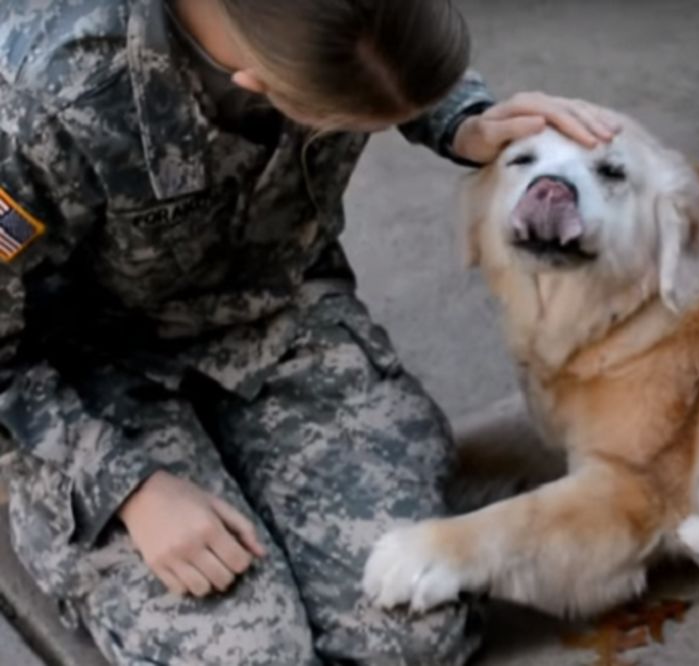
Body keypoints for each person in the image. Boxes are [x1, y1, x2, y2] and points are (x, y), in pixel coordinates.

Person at [0, 0, 620, 664]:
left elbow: (375, 45)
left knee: (408, 632)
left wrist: (460, 118)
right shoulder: (40, 100)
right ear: (260, 87)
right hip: (77, 377)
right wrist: (125, 487)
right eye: (342, 125)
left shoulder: (328, 27)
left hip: (277, 315)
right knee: (250, 657)